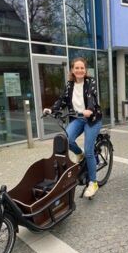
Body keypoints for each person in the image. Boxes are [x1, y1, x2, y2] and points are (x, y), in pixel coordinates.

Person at [43, 57, 102, 198]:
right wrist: (52, 109)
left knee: (89, 150)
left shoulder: (90, 82)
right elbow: (62, 100)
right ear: (72, 70)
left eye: (82, 68)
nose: (80, 70)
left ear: (85, 70)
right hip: (77, 118)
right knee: (66, 140)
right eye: (77, 68)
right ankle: (79, 153)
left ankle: (93, 183)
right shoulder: (69, 85)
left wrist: (89, 109)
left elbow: (92, 98)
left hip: (92, 119)